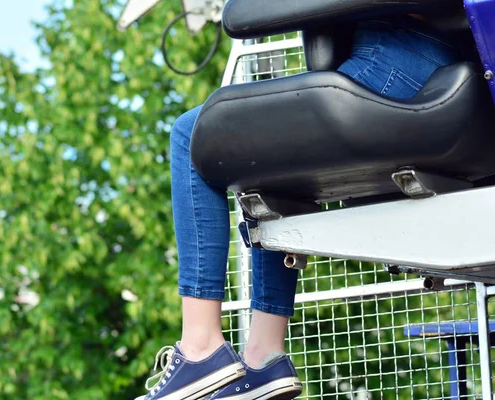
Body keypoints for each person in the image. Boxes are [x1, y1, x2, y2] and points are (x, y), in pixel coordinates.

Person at [137, 15, 461, 400]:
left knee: (190, 135)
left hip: (393, 61)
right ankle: (263, 357)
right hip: (441, 59)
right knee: (273, 154)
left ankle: (200, 347)